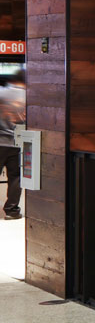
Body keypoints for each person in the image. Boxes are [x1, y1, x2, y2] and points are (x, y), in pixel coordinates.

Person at [0, 77, 25, 219]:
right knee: (15, 177)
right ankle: (12, 211)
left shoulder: (2, 92)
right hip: (17, 142)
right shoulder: (28, 95)